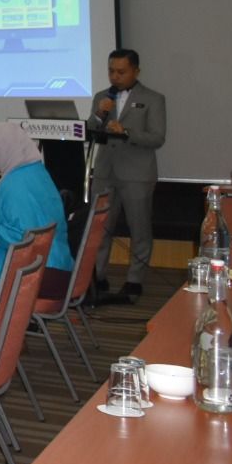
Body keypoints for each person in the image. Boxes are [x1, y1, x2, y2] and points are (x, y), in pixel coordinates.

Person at [0, 122, 74, 313]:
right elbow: (34, 206)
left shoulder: (12, 184)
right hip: (56, 265)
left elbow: (18, 237)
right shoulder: (35, 171)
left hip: (32, 273)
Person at [87, 48, 167, 304]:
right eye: (111, 71)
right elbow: (90, 129)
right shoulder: (102, 97)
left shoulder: (153, 99)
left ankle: (134, 281)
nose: (115, 76)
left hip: (137, 174)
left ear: (136, 71)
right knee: (100, 228)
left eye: (121, 72)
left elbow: (157, 137)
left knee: (139, 229)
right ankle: (97, 277)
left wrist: (127, 132)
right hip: (105, 172)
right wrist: (100, 113)